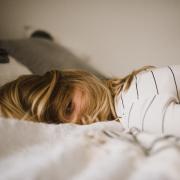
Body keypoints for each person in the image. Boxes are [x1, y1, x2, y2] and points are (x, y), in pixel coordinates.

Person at [0, 65, 180, 136]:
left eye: (69, 107)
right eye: (61, 127)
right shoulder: (133, 84)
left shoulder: (134, 112)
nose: (77, 124)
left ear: (76, 78)